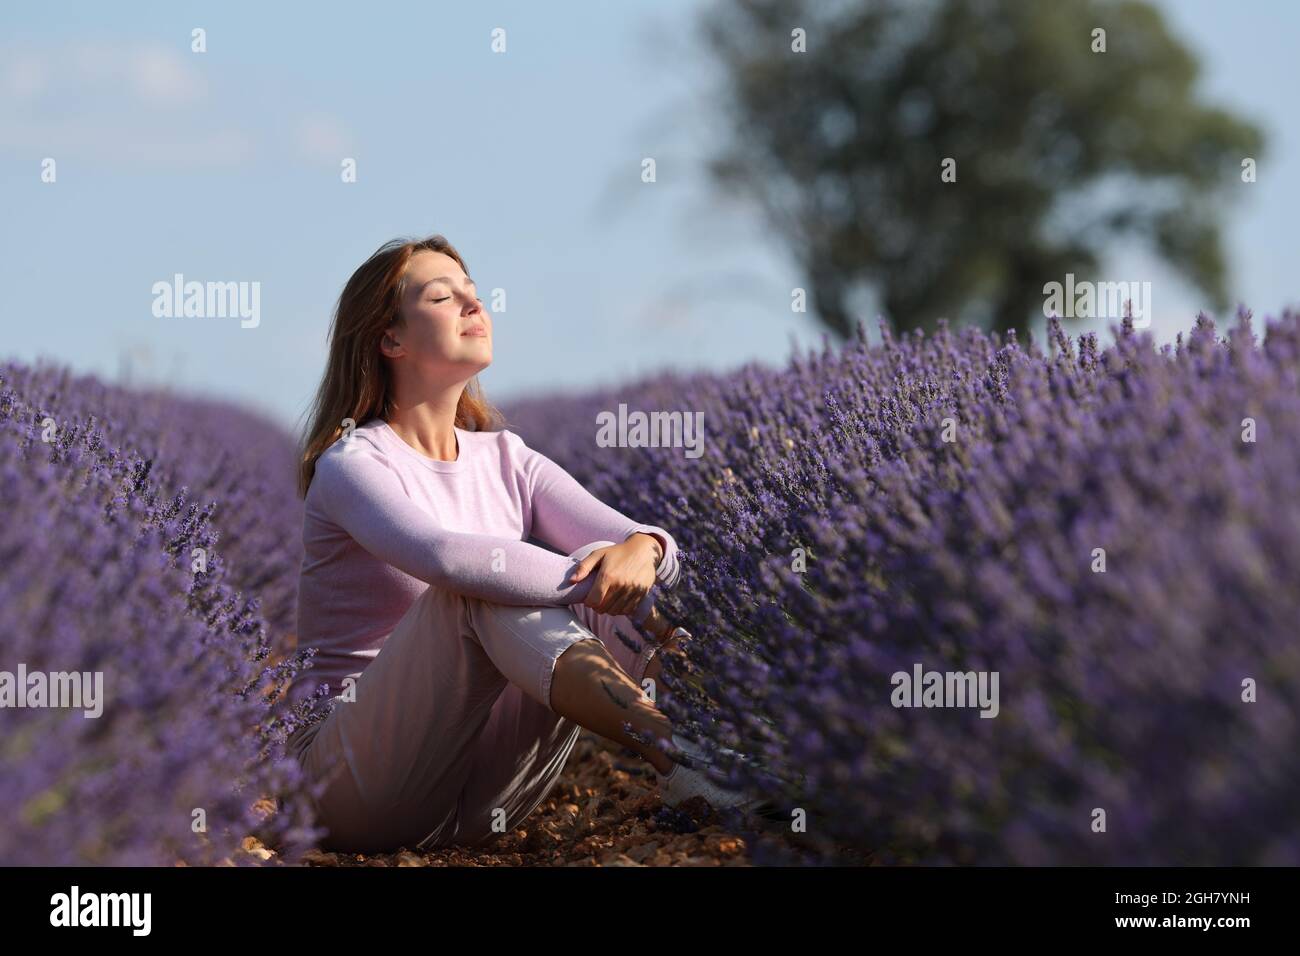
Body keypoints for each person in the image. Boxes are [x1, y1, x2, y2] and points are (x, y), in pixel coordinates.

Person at [284, 235, 757, 854]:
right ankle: (683, 752)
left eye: (474, 296)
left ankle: (738, 733)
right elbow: (446, 558)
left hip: (483, 800)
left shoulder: (507, 457)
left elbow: (637, 546)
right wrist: (597, 575)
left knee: (569, 579)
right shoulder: (353, 462)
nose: (472, 307)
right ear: (389, 338)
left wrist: (642, 547)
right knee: (483, 585)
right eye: (442, 296)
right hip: (351, 787)